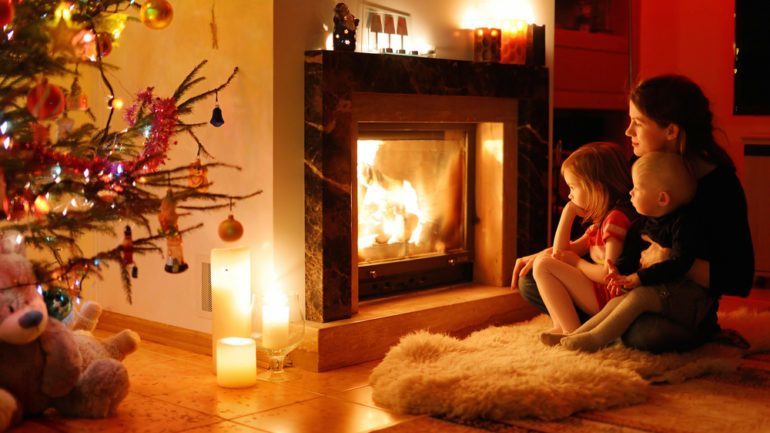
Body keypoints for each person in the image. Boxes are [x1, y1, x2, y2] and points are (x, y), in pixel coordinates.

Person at [514, 74, 755, 353]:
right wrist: (558, 253)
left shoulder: (719, 187)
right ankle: (606, 324)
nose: (628, 132)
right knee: (530, 280)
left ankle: (615, 326)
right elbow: (614, 227)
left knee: (645, 335)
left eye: (638, 123)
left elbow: (739, 278)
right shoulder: (640, 163)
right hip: (623, 282)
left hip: (673, 297)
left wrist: (669, 257)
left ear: (671, 131)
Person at [547, 152, 698, 351]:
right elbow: (629, 257)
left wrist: (638, 278)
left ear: (661, 198)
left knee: (637, 299)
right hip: (643, 285)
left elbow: (679, 263)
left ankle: (594, 340)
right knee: (617, 302)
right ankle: (575, 335)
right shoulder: (642, 223)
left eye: (636, 188)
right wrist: (616, 269)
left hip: (672, 293)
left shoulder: (682, 225)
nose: (630, 193)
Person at [530, 141, 636, 338]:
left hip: (612, 297)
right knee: (543, 262)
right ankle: (561, 326)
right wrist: (568, 212)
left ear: (595, 188)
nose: (569, 194)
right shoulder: (600, 222)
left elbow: (609, 273)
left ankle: (571, 332)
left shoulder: (616, 220)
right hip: (600, 293)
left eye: (572, 187)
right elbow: (559, 254)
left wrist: (577, 262)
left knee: (543, 265)